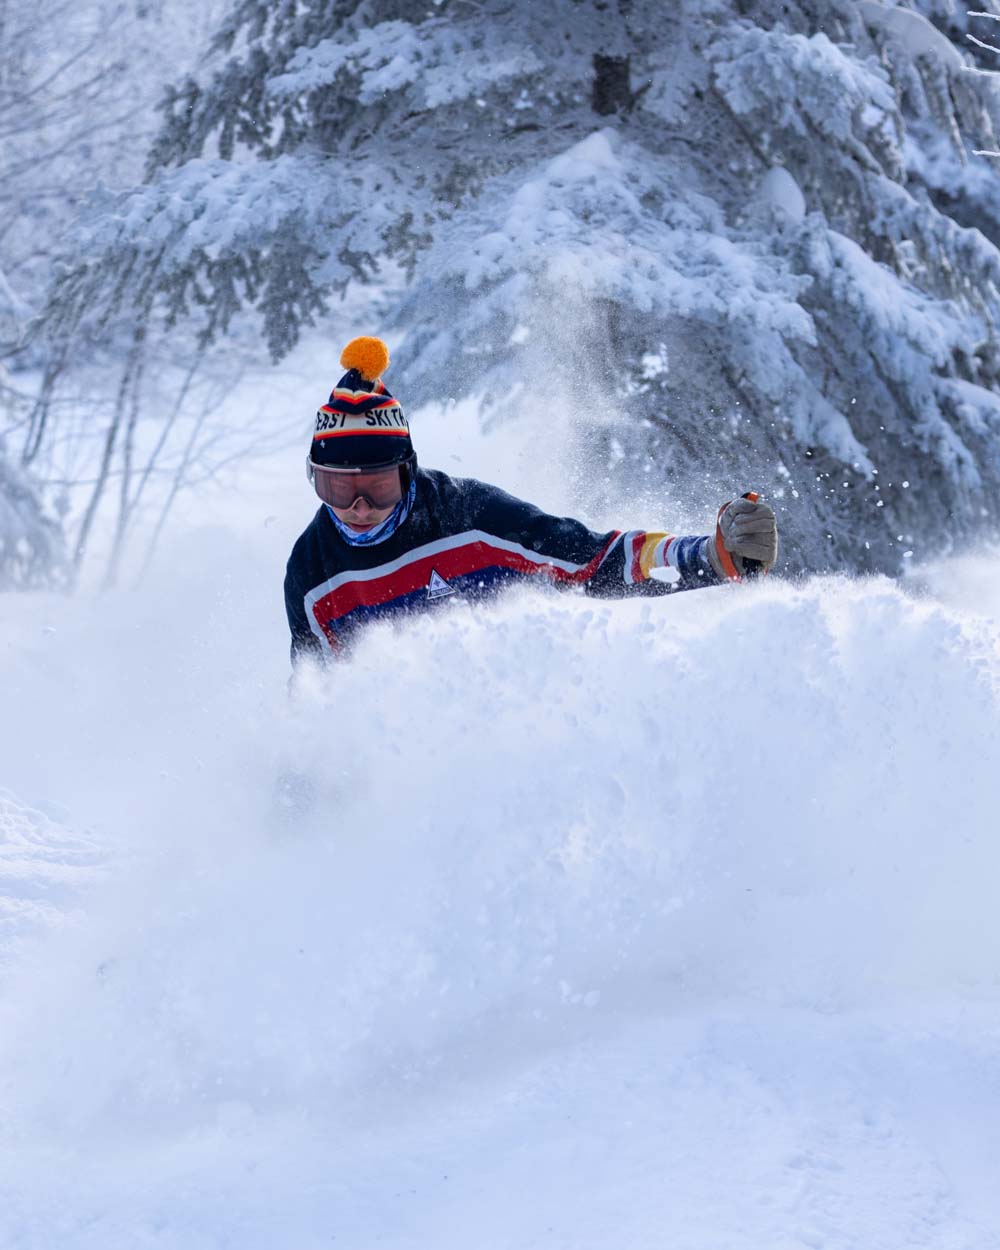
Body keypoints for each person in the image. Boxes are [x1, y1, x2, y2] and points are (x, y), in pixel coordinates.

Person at [284, 336, 778, 666]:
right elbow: (317, 698)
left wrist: (712, 557)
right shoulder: (313, 575)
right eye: (339, 489)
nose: (360, 507)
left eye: (379, 486)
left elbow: (598, 560)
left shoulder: (471, 519)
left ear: (407, 472)